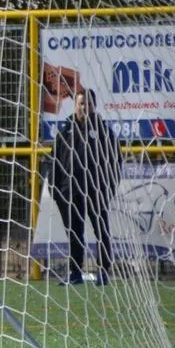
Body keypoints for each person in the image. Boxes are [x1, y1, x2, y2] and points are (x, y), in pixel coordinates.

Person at [47, 88, 122, 286]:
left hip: (96, 191)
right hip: (70, 192)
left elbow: (115, 161)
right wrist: (55, 190)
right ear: (75, 106)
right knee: (74, 233)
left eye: (88, 104)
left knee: (101, 231)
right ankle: (75, 273)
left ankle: (103, 272)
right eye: (81, 103)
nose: (84, 107)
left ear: (94, 106)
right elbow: (54, 161)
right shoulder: (65, 131)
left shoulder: (104, 132)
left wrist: (109, 188)